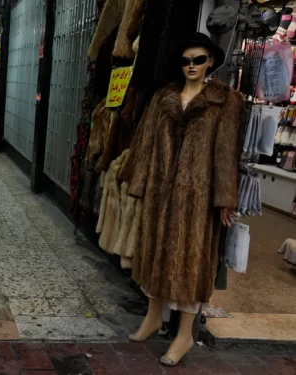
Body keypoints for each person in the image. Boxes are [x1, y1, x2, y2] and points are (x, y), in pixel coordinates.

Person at [119, 32, 242, 366]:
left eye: (198, 60)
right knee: (154, 255)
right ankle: (153, 316)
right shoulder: (164, 96)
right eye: (186, 60)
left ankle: (185, 334)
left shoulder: (225, 101)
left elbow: (227, 153)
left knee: (189, 265)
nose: (191, 66)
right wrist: (139, 184)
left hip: (197, 199)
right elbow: (144, 143)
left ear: (211, 62)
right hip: (160, 193)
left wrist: (224, 199)